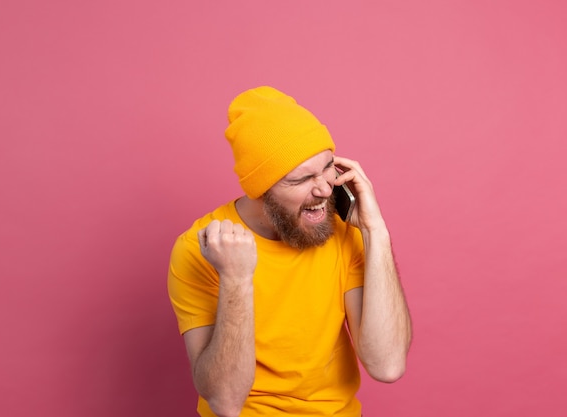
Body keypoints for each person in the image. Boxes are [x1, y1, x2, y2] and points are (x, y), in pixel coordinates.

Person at [167, 86, 412, 417]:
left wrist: (375, 231)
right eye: (301, 179)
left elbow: (388, 365)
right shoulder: (201, 248)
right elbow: (225, 402)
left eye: (327, 167)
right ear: (260, 190)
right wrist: (236, 279)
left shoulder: (343, 232)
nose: (325, 189)